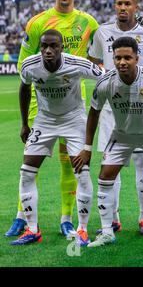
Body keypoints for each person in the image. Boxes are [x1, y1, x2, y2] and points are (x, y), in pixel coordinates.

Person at [6, 0, 99, 238]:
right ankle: (21, 216)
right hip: (41, 101)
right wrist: (26, 118)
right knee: (30, 162)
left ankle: (66, 218)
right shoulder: (38, 23)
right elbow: (26, 66)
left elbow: (105, 48)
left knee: (68, 163)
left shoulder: (88, 22)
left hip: (73, 100)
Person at [73, 37, 143, 249]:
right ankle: (107, 232)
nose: (122, 62)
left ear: (137, 58)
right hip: (121, 135)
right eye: (118, 57)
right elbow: (93, 114)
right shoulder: (105, 82)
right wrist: (87, 148)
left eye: (127, 57)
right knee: (104, 176)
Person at [10, 29, 103, 246]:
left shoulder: (77, 64)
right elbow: (24, 89)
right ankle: (32, 229)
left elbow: (104, 77)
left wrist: (100, 105)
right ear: (40, 47)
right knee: (26, 173)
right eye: (44, 46)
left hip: (74, 121)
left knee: (81, 172)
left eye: (53, 46)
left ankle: (82, 229)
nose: (48, 50)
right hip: (45, 120)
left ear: (62, 47)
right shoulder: (30, 65)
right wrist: (25, 124)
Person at [88, 0, 143, 236]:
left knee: (142, 163)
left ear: (136, 7)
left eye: (128, 4)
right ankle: (114, 219)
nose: (123, 8)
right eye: (119, 3)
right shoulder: (102, 32)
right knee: (111, 164)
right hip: (111, 111)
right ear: (114, 5)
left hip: (142, 110)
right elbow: (96, 60)